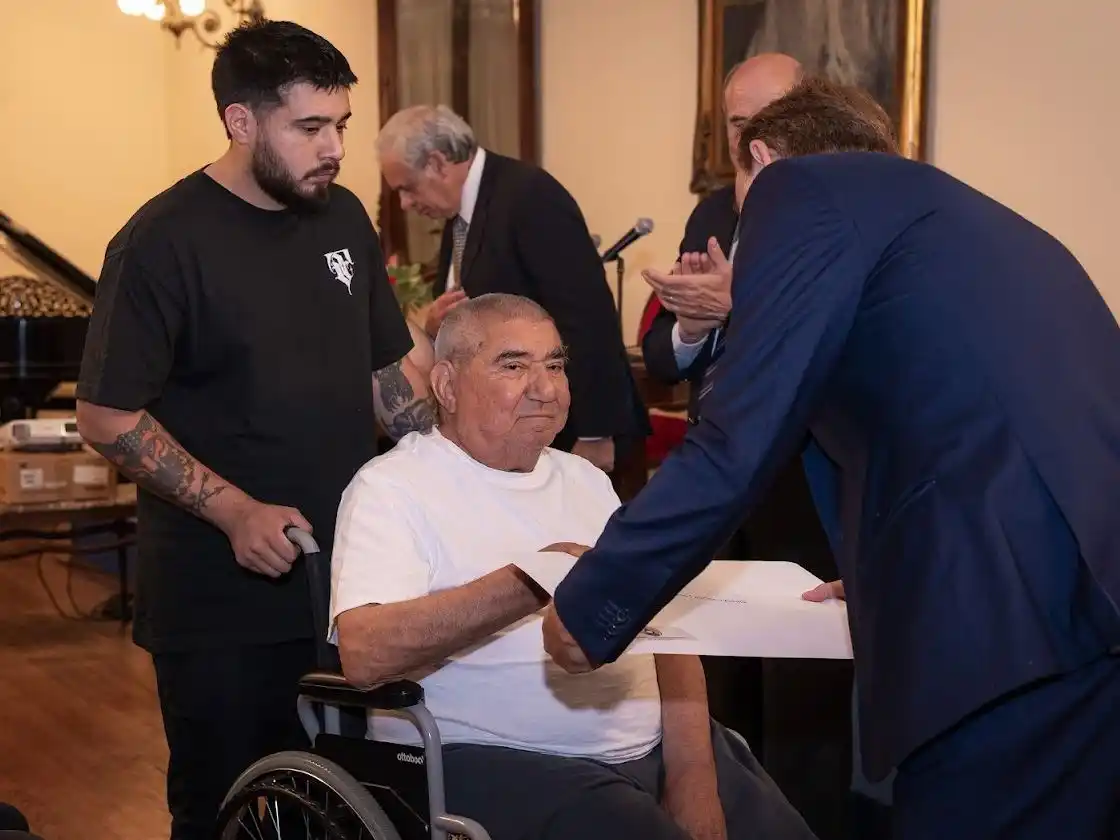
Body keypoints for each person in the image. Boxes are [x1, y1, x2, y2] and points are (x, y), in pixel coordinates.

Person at [541, 77, 1120, 840]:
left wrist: (596, 603)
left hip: (1007, 616)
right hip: (1082, 600)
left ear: (760, 157)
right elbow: (954, 417)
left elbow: (737, 434)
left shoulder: (799, 189)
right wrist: (893, 561)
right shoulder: (968, 216)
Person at [74, 20, 435, 840]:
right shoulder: (162, 241)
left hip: (347, 587)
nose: (333, 148)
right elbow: (105, 413)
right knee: (226, 811)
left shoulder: (342, 217)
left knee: (343, 811)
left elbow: (384, 375)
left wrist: (451, 464)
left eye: (340, 125)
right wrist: (234, 510)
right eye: (309, 127)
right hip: (219, 608)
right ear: (241, 121)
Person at [328, 293, 817, 840]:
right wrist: (532, 579)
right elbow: (364, 654)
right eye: (514, 366)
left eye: (555, 365)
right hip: (498, 759)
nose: (545, 388)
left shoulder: (586, 480)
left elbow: (669, 636)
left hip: (655, 747)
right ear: (446, 384)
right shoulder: (392, 489)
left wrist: (692, 774)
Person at [643, 54, 850, 838]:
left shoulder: (839, 210)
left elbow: (838, 339)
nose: (749, 138)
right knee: (719, 685)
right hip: (723, 478)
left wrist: (740, 305)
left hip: (810, 480)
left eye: (766, 118)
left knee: (803, 697)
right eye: (736, 122)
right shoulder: (711, 211)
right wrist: (694, 324)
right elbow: (664, 357)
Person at [375, 104, 649, 475]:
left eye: (407, 188)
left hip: (570, 432)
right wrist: (444, 325)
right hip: (516, 433)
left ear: (438, 164)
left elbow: (587, 314)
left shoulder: (529, 195)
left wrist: (597, 432)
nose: (405, 203)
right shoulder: (461, 212)